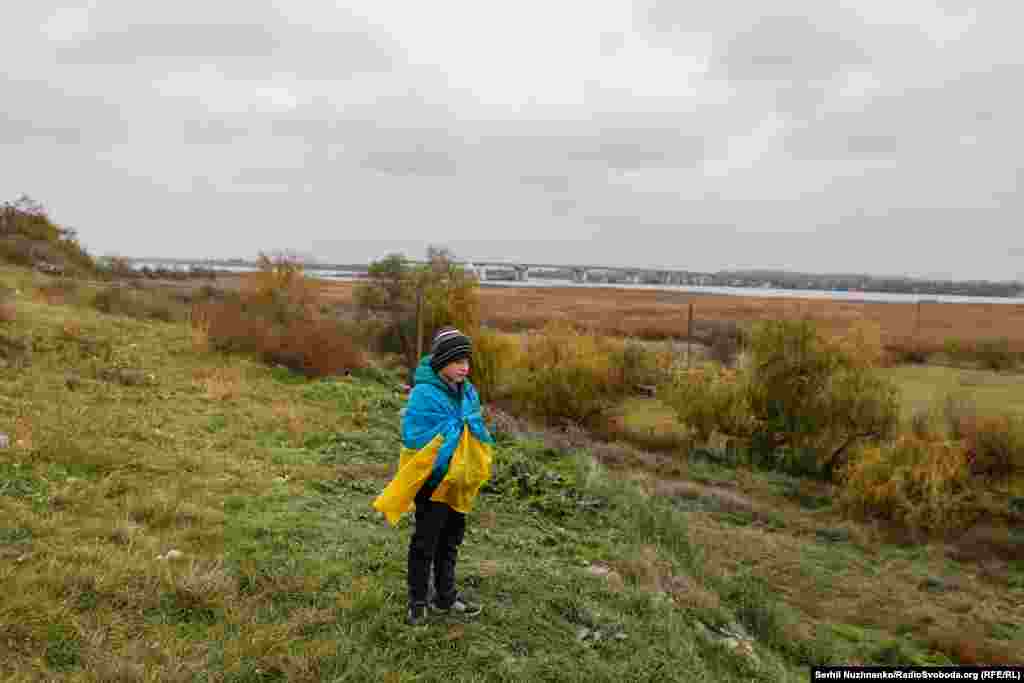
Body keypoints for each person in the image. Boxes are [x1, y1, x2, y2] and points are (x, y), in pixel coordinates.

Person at [372, 326, 495, 626]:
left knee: (451, 541)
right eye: (457, 361)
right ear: (442, 363)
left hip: (458, 482)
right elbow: (416, 437)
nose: (465, 366)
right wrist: (451, 442)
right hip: (431, 481)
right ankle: (417, 600)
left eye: (467, 360)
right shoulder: (424, 395)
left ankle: (445, 596)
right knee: (425, 542)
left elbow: (474, 427)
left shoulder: (468, 391)